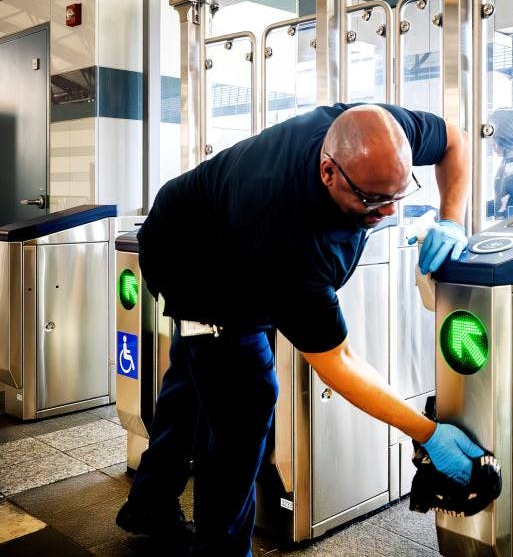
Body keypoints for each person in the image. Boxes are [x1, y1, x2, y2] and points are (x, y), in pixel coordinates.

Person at [115, 103, 483, 556]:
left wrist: (451, 218)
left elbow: (455, 141)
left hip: (209, 225)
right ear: (329, 172)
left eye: (398, 194)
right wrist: (427, 432)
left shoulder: (378, 131)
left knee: (194, 381)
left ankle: (148, 504)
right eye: (371, 200)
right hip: (192, 265)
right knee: (243, 409)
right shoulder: (283, 233)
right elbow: (337, 363)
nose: (387, 211)